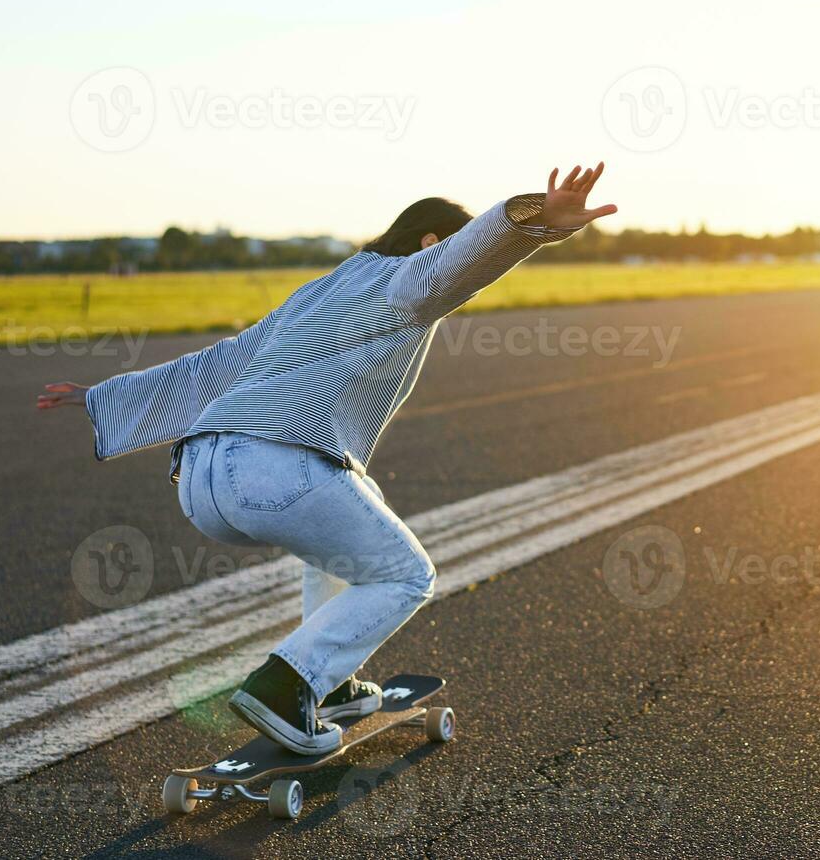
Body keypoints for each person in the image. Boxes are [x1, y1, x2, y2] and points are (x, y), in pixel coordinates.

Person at [37, 164, 617, 754]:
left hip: (200, 479)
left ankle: (331, 687)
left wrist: (103, 396)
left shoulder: (323, 287)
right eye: (452, 247)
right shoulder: (407, 282)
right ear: (429, 242)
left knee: (349, 521)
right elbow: (467, 258)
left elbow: (222, 360)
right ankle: (288, 683)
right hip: (273, 468)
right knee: (406, 575)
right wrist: (536, 219)